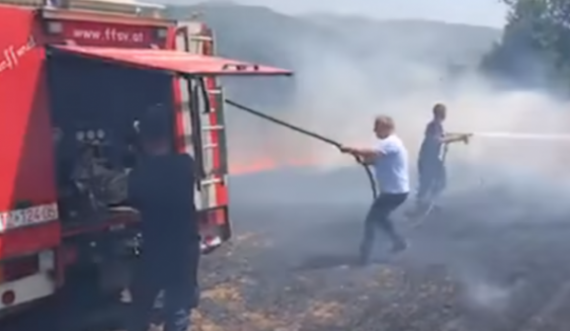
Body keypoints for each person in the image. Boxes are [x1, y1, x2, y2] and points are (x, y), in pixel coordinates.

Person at [127, 107, 200, 331]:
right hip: (184, 247)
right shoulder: (185, 164)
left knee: (141, 305)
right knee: (177, 307)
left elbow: (133, 200)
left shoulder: (139, 175)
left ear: (145, 141)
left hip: (155, 249)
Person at [340, 115, 410, 265]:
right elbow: (372, 160)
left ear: (386, 127)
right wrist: (358, 155)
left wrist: (352, 149)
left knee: (371, 222)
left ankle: (364, 258)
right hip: (393, 191)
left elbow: (373, 153)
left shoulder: (391, 143)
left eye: (376, 127)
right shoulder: (387, 145)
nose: (374, 130)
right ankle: (399, 242)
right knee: (381, 218)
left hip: (394, 192)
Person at [413, 103, 471, 215]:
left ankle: (428, 203)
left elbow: (443, 135)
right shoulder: (433, 126)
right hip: (427, 160)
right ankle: (420, 207)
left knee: (441, 182)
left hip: (432, 159)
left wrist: (461, 135)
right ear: (441, 114)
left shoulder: (437, 126)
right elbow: (438, 140)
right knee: (426, 183)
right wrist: (459, 138)